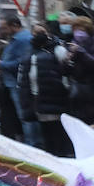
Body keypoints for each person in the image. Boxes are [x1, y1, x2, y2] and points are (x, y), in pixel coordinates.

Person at [19, 24, 72, 156]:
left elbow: (67, 71)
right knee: (49, 135)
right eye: (36, 32)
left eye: (41, 31)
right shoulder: (30, 53)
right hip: (41, 101)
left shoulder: (57, 49)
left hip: (52, 99)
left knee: (55, 134)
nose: (39, 35)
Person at [0, 15, 40, 148]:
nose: (3, 31)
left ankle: (33, 146)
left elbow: (23, 62)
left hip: (19, 84)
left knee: (25, 116)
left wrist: (2, 64)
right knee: (22, 117)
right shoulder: (16, 39)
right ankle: (30, 144)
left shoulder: (23, 39)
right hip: (13, 83)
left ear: (14, 26)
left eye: (5, 28)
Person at [62, 15, 94, 122]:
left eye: (81, 30)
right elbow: (65, 71)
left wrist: (81, 52)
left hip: (93, 91)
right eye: (75, 29)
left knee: (91, 121)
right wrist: (67, 60)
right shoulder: (71, 46)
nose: (78, 33)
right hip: (76, 92)